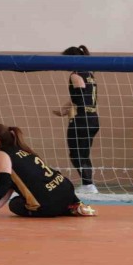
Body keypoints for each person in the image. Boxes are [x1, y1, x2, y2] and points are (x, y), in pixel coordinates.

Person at [0, 124, 97, 219]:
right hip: (67, 191)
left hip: (49, 204)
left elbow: (2, 185)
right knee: (21, 189)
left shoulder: (0, 153)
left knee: (15, 204)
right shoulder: (21, 150)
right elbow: (8, 187)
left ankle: (63, 209)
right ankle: (74, 207)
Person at [52, 45, 100, 194]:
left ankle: (89, 185)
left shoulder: (75, 74)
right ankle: (88, 184)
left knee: (76, 153)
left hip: (81, 119)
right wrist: (64, 109)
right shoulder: (89, 73)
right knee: (83, 153)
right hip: (93, 118)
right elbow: (81, 95)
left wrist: (73, 110)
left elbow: (81, 93)